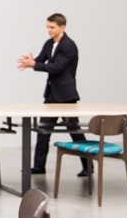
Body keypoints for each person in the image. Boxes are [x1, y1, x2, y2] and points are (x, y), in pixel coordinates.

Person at [17, 13, 88, 176]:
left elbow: (57, 68)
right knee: (43, 131)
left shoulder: (69, 45)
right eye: (47, 27)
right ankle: (38, 166)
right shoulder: (49, 44)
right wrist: (31, 63)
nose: (49, 30)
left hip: (66, 96)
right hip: (51, 95)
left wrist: (35, 65)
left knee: (75, 132)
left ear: (62, 27)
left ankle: (88, 167)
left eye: (52, 27)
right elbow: (41, 60)